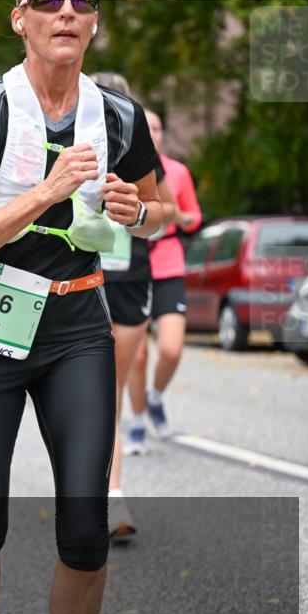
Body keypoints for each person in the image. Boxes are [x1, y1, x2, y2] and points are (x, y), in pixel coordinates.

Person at [0, 0, 165, 614]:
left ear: (94, 23)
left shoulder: (119, 115)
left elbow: (162, 209)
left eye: (80, 0)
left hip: (76, 331)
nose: (64, 10)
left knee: (88, 530)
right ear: (20, 19)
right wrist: (45, 191)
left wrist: (136, 213)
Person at [89, 72, 176, 543]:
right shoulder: (68, 149)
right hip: (81, 280)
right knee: (95, 391)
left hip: (129, 284)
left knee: (109, 391)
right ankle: (110, 494)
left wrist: (137, 211)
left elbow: (168, 211)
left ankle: (102, 491)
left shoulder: (140, 153)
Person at [127, 110, 202, 445]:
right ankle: (137, 421)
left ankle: (155, 397)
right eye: (147, 128)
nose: (152, 133)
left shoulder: (177, 172)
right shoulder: (127, 166)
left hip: (168, 263)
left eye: (157, 128)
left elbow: (193, 215)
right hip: (133, 266)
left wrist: (181, 218)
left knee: (171, 350)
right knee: (138, 355)